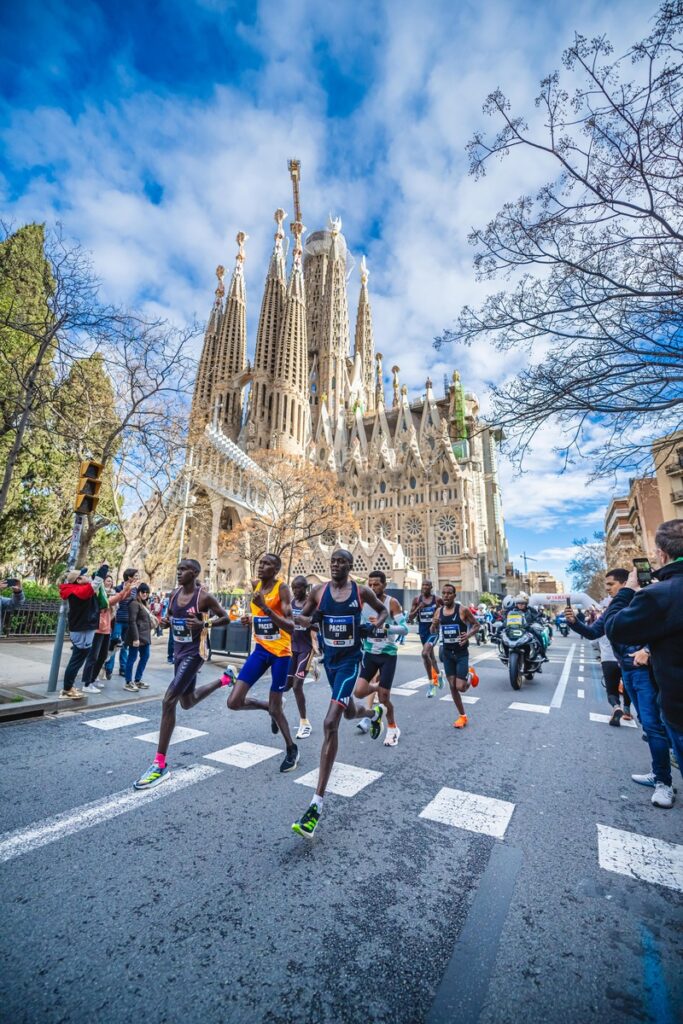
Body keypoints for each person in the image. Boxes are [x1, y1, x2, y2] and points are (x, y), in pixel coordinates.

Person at [291, 549, 388, 838]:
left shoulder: (361, 592)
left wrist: (376, 624)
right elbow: (301, 619)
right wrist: (312, 621)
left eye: (341, 562)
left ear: (350, 565)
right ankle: (373, 713)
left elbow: (382, 611)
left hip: (349, 663)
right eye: (333, 561)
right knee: (348, 712)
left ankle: (315, 806)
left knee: (330, 722)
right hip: (329, 662)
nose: (335, 565)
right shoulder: (319, 591)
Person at [133, 559, 231, 790]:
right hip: (178, 652)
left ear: (195, 573)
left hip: (195, 653)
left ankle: (159, 765)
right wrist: (166, 623)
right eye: (177, 569)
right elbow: (172, 619)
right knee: (187, 702)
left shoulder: (203, 597)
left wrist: (204, 625)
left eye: (183, 570)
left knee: (169, 701)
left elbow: (225, 617)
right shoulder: (175, 593)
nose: (179, 573)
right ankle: (225, 680)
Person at [605, 520, 683, 809]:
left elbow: (615, 626)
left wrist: (629, 591)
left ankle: (663, 782)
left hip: (677, 701)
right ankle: (660, 774)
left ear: (661, 555)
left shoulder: (662, 594)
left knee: (655, 726)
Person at [227, 554, 299, 772]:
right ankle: (268, 707)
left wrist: (266, 610)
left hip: (280, 654)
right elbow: (261, 615)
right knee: (234, 701)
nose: (261, 566)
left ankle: (291, 749)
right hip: (260, 651)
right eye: (261, 563)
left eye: (267, 564)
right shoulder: (256, 586)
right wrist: (253, 617)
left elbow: (291, 626)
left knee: (277, 710)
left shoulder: (282, 589)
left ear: (276, 569)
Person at [565, 573, 632, 725]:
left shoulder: (643, 600)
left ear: (626, 583)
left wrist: (646, 651)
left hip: (642, 665)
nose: (607, 588)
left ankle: (621, 707)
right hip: (615, 659)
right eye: (606, 585)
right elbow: (592, 632)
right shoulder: (610, 610)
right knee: (651, 724)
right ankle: (624, 709)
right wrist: (574, 621)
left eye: (611, 584)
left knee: (655, 718)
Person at [353, 570, 407, 746]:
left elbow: (404, 629)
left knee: (384, 699)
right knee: (359, 692)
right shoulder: (363, 603)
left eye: (376, 584)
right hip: (370, 653)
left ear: (384, 585)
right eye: (370, 584)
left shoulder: (392, 603)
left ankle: (392, 728)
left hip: (388, 654)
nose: (372, 587)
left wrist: (385, 627)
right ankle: (379, 686)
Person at [427, 583, 479, 728]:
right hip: (447, 652)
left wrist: (467, 636)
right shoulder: (438, 612)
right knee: (452, 686)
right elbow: (433, 630)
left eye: (449, 593)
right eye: (443, 593)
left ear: (454, 596)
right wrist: (434, 624)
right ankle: (462, 716)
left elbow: (476, 625)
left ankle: (470, 674)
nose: (446, 596)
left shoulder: (462, 610)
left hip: (461, 653)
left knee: (461, 687)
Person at [81, 574, 132, 693]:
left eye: (110, 580)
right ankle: (87, 683)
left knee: (103, 655)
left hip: (106, 627)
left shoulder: (104, 591)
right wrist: (125, 590)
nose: (108, 582)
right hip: (98, 628)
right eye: (105, 580)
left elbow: (119, 599)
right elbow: (108, 602)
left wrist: (128, 589)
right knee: (93, 656)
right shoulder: (95, 591)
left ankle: (93, 679)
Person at [58, 569, 103, 699]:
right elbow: (95, 584)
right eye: (84, 576)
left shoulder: (77, 590)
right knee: (76, 660)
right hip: (82, 629)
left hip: (82, 628)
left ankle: (68, 687)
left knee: (77, 659)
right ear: (78, 580)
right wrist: (103, 568)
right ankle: (67, 689)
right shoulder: (79, 591)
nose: (88, 577)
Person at [287, 575, 316, 740]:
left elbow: (319, 625)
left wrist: (308, 623)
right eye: (293, 587)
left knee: (297, 686)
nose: (296, 590)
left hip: (306, 649)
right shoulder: (290, 604)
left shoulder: (310, 605)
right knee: (285, 686)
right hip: (291, 648)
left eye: (299, 587)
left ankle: (304, 723)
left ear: (306, 588)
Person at [407, 580, 444, 696]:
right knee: (431, 657)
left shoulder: (437, 599)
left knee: (424, 653)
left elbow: (445, 613)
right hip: (422, 631)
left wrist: (438, 619)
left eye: (427, 585)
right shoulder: (417, 600)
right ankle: (438, 674)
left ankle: (431, 684)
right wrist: (418, 608)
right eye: (423, 585)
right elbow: (410, 618)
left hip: (433, 631)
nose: (425, 587)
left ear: (431, 587)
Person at [105, 567, 139, 678]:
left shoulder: (135, 590)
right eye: (135, 576)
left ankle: (123, 668)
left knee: (125, 646)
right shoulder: (118, 588)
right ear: (129, 577)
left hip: (129, 622)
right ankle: (108, 668)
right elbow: (116, 602)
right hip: (118, 620)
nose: (137, 578)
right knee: (115, 645)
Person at [125, 583, 155, 691]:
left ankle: (137, 679)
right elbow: (132, 622)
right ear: (138, 592)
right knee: (132, 658)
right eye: (143, 592)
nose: (145, 594)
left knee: (145, 656)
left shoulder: (144, 603)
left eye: (147, 592)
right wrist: (136, 638)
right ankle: (128, 682)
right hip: (136, 636)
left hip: (145, 636)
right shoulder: (134, 603)